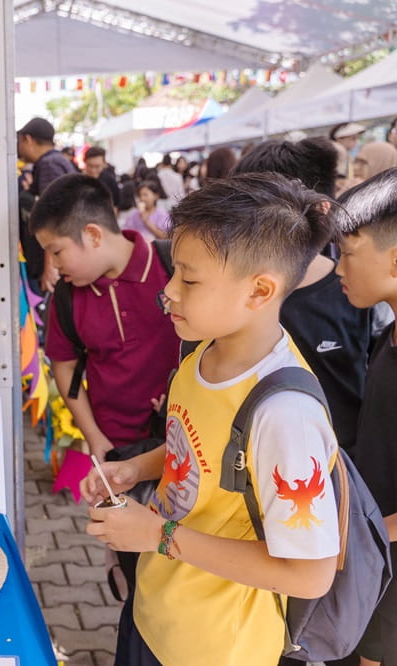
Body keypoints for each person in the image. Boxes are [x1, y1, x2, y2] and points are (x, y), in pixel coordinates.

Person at [83, 173, 340, 666]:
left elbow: (310, 573)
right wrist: (137, 468)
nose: (170, 290)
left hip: (217, 647)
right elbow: (200, 445)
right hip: (153, 613)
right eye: (174, 271)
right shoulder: (200, 353)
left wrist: (158, 536)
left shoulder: (285, 414)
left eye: (190, 278)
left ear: (259, 290)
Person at [232, 136, 382, 456]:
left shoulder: (358, 294)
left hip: (343, 475)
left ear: (321, 209)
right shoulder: (232, 298)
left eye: (260, 211)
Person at [30, 174, 180, 462]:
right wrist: (94, 437)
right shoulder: (67, 295)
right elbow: (64, 366)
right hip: (114, 448)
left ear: (93, 235)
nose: (56, 266)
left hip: (184, 443)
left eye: (57, 252)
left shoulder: (172, 268)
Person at [335, 168, 397, 666]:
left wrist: (356, 536)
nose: (337, 268)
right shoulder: (386, 336)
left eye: (347, 254)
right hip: (376, 562)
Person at [17, 117, 75, 292]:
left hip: (60, 258)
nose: (18, 148)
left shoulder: (49, 164)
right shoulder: (55, 161)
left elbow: (53, 217)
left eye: (19, 142)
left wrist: (50, 266)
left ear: (28, 139)